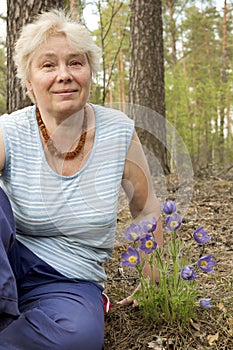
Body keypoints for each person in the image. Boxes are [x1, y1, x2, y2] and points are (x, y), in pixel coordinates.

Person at [0, 9, 162, 350]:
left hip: (68, 278)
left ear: (90, 73)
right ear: (28, 81)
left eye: (76, 62)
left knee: (77, 339)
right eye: (48, 65)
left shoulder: (118, 131)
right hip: (8, 262)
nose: (64, 75)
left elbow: (145, 209)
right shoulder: (9, 130)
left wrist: (152, 281)